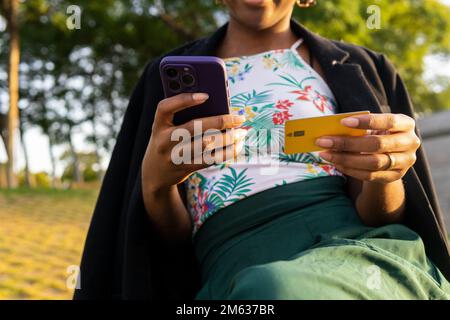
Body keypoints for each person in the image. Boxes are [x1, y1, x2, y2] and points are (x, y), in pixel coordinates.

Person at [74, 0, 450, 300]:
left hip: (353, 250)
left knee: (278, 289)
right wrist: (156, 185)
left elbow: (375, 212)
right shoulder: (165, 78)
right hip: (233, 261)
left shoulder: (364, 68)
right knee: (268, 290)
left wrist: (386, 174)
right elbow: (163, 246)